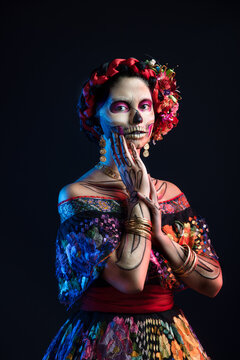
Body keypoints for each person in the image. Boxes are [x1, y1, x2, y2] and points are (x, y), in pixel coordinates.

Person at [42, 57, 222, 360]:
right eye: (121, 107)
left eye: (145, 106)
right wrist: (138, 197)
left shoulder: (171, 193)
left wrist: (162, 238)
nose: (138, 119)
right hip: (100, 341)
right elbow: (131, 280)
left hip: (170, 341)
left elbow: (213, 283)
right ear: (96, 115)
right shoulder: (78, 195)